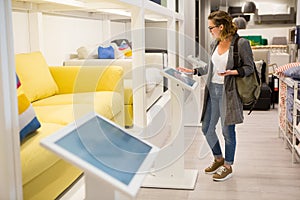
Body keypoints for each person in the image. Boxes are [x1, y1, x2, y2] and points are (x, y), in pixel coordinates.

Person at [177, 10, 255, 181]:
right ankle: (218, 158)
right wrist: (193, 71)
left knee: (228, 131)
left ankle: (228, 165)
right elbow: (211, 68)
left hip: (229, 93)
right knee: (206, 128)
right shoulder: (214, 44)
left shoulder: (241, 44)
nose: (210, 30)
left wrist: (233, 72)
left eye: (211, 27)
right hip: (212, 91)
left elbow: (249, 68)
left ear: (221, 27)